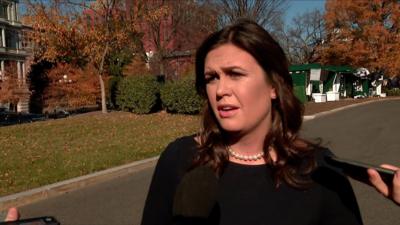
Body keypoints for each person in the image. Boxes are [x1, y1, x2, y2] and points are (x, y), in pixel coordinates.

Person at [141, 19, 363, 225]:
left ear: (273, 86)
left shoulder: (319, 170)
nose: (221, 90)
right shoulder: (180, 158)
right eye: (212, 78)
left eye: (235, 74)